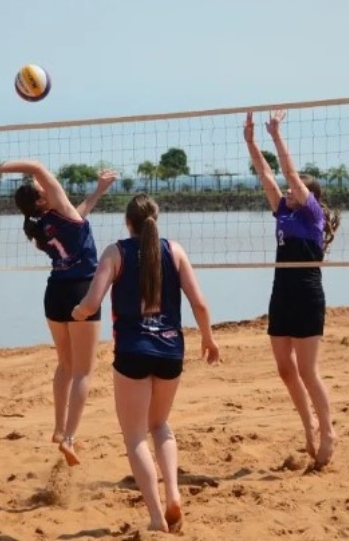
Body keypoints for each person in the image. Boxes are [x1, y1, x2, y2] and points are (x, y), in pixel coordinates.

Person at [72, 193, 220, 534]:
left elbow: (92, 302)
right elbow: (199, 303)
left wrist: (78, 312)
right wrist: (208, 338)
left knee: (135, 436)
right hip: (171, 350)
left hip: (133, 351)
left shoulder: (116, 252)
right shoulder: (175, 250)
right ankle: (174, 494)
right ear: (156, 219)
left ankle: (156, 516)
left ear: (128, 222)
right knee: (160, 425)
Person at [0, 160, 117, 465]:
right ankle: (70, 439)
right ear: (42, 199)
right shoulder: (60, 211)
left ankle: (59, 429)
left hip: (55, 293)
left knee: (65, 365)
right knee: (83, 371)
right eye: (40, 187)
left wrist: (98, 191)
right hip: (81, 291)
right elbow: (36, 167)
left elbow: (81, 212)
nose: (44, 184)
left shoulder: (42, 225)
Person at [243, 109, 341, 469]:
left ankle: (328, 432)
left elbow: (288, 173)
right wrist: (251, 142)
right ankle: (309, 426)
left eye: (294, 189)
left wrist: (276, 135)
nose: (286, 191)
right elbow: (267, 175)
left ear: (309, 196)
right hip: (281, 293)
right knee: (286, 370)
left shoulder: (313, 216)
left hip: (307, 295)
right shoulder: (283, 211)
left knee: (308, 371)